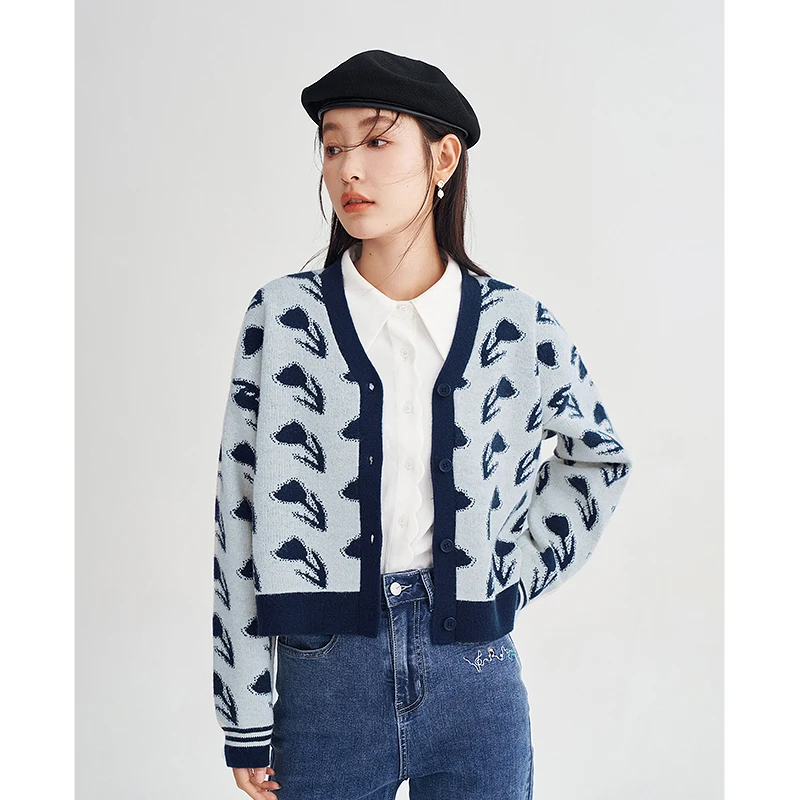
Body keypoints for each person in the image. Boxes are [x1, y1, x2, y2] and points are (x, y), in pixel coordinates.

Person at [212, 50, 633, 800]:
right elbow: (239, 515)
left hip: (476, 681)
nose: (349, 168)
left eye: (377, 141)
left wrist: (508, 579)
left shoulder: (517, 327)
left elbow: (598, 459)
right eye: (333, 146)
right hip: (324, 682)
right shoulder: (282, 319)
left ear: (442, 159)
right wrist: (244, 714)